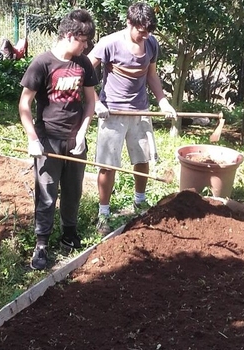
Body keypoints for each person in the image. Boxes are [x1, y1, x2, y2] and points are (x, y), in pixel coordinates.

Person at [87, 2, 176, 236]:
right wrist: (96, 102)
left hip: (141, 111)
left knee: (142, 158)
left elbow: (152, 75)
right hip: (113, 113)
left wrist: (163, 101)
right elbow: (84, 72)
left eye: (149, 32)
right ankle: (103, 213)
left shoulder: (151, 44)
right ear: (129, 23)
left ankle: (140, 201)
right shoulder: (109, 43)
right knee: (108, 165)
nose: (145, 36)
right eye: (141, 31)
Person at [18, 9, 98, 270]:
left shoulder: (83, 64)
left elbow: (91, 102)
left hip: (74, 140)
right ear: (69, 35)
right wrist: (33, 138)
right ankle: (41, 243)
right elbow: (24, 105)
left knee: (73, 190)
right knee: (47, 192)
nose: (86, 46)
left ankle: (69, 233)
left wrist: (83, 133)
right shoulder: (42, 63)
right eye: (83, 41)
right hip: (48, 140)